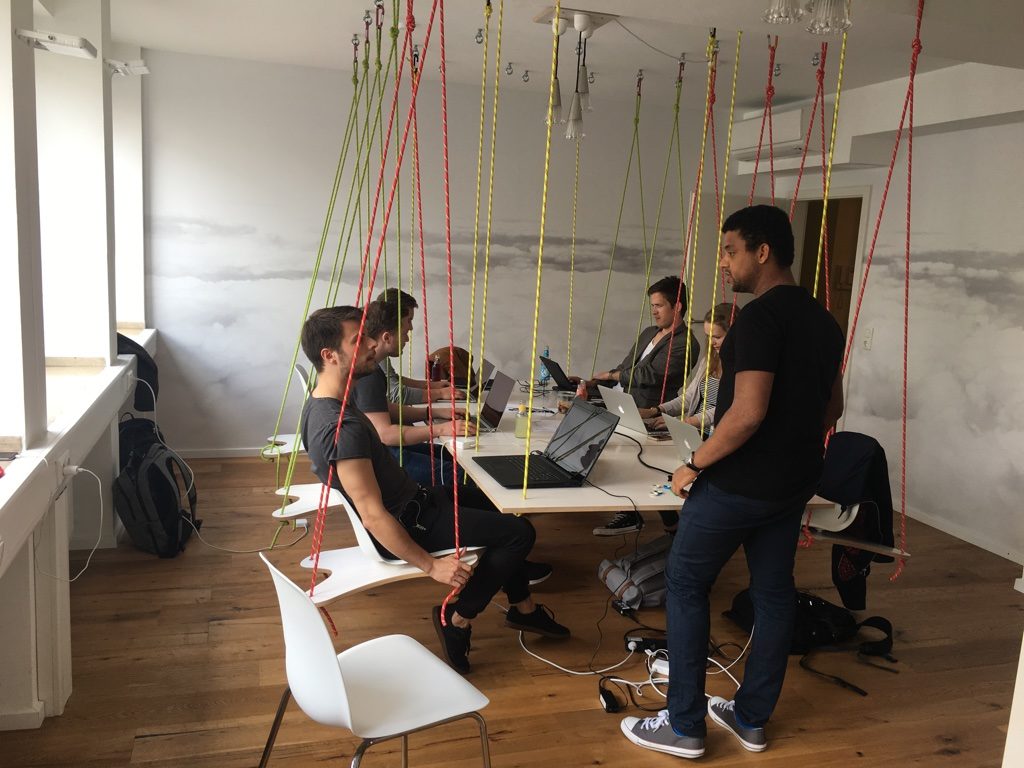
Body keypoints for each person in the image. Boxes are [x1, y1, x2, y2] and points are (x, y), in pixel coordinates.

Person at [620, 205, 845, 759]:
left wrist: (694, 465)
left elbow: (746, 414)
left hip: (738, 485)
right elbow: (832, 408)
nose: (722, 263)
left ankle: (684, 725)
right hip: (791, 485)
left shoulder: (760, 320)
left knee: (685, 583)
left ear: (762, 252)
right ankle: (750, 719)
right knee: (773, 595)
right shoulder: (824, 321)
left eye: (729, 250)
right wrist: (788, 447)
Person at [300, 306, 570, 675]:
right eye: (357, 340)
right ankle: (457, 618)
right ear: (330, 355)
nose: (370, 345)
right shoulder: (339, 427)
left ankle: (524, 610)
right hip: (412, 522)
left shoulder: (324, 404)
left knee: (502, 505)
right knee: (519, 533)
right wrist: (431, 566)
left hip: (418, 502)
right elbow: (373, 515)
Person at [587, 276, 701, 536]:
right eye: (653, 306)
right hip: (622, 401)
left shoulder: (686, 343)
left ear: (677, 306)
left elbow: (650, 376)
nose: (654, 311)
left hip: (648, 408)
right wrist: (594, 381)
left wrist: (613, 375)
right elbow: (627, 367)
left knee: (631, 461)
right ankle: (652, 518)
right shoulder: (649, 332)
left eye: (659, 305)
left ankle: (634, 514)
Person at [352, 296, 470, 487]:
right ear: (387, 337)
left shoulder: (373, 369)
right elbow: (385, 434)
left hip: (381, 450)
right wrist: (441, 429)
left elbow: (384, 408)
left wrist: (433, 412)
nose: (408, 337)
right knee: (462, 474)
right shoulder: (369, 375)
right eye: (405, 331)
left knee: (453, 456)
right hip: (383, 457)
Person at [644, 302, 738, 440]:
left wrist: (684, 423)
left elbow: (729, 408)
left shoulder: (743, 367)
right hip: (693, 433)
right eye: (708, 336)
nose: (711, 342)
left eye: (717, 337)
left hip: (716, 437)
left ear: (734, 335)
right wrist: (656, 410)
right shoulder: (709, 360)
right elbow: (689, 397)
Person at [375, 288, 461, 406]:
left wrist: (430, 385)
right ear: (394, 319)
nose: (411, 327)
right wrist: (440, 393)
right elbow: (395, 394)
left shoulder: (379, 347)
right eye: (409, 320)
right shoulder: (374, 348)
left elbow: (392, 379)